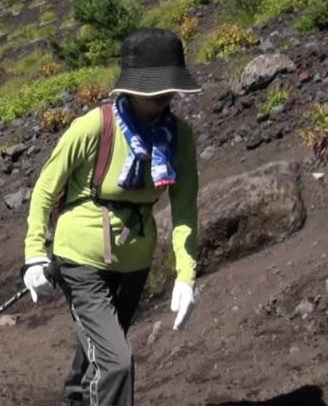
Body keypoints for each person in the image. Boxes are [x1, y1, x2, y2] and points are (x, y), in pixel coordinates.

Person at [22, 28, 201, 406]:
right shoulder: (94, 126)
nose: (165, 99)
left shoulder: (179, 137)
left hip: (133, 263)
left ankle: (75, 399)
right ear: (131, 88)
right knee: (116, 363)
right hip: (80, 258)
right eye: (155, 91)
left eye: (169, 90)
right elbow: (45, 189)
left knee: (100, 350)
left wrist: (186, 276)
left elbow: (185, 209)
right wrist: (35, 253)